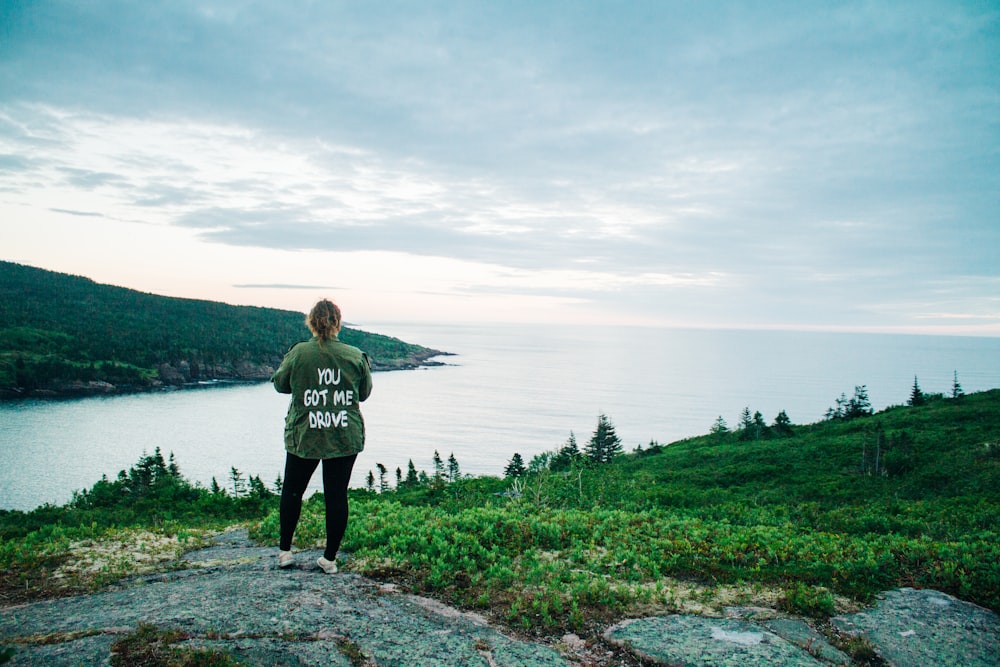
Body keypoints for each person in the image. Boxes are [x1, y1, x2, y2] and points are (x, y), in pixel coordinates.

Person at [272, 299, 373, 573]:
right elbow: (363, 393)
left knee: (292, 491)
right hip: (343, 433)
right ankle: (329, 558)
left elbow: (281, 384)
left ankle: (285, 552)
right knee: (336, 495)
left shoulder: (299, 353)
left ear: (311, 322)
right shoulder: (355, 355)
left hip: (305, 434)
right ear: (338, 322)